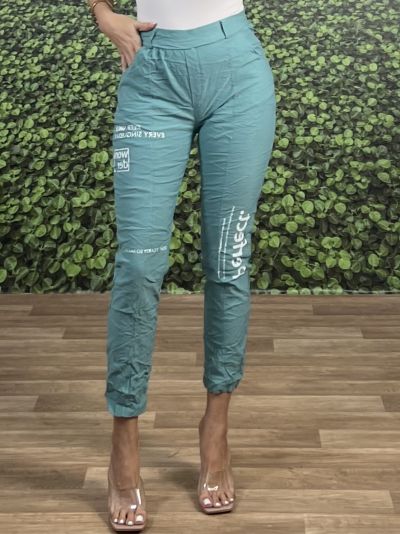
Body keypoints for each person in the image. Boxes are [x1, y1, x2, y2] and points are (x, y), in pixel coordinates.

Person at [87, 0, 276, 530]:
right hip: (152, 73)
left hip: (237, 70)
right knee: (138, 267)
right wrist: (100, 11)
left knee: (228, 262)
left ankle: (215, 429)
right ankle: (124, 439)